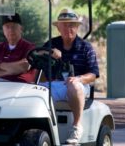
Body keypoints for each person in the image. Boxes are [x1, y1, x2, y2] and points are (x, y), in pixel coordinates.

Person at [42, 8, 99, 144]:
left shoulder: (86, 47)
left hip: (80, 86)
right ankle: (43, 128)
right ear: (59, 28)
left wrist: (79, 78)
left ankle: (76, 127)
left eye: (72, 25)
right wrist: (49, 53)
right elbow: (38, 62)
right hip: (55, 84)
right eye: (65, 25)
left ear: (77, 27)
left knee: (73, 85)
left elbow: (93, 74)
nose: (69, 29)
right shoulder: (51, 44)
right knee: (35, 91)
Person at [0, 13, 36, 83]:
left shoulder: (29, 47)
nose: (10, 30)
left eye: (14, 26)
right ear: (3, 30)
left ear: (21, 29)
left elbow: (23, 67)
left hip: (17, 87)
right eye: (7, 27)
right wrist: (7, 72)